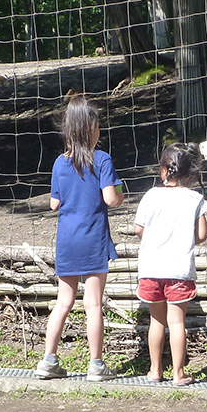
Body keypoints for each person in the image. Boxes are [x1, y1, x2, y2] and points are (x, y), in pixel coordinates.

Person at [35, 95, 125, 382]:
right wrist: (121, 194)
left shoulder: (59, 163)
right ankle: (96, 365)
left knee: (63, 302)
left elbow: (53, 204)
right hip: (92, 238)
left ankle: (49, 359)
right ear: (92, 129)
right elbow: (110, 199)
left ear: (68, 131)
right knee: (93, 304)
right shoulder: (102, 159)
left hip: (67, 240)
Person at [134, 143, 207, 386]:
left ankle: (155, 370)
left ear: (164, 170)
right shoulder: (195, 199)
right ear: (189, 173)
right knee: (177, 322)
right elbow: (201, 235)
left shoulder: (150, 195)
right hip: (179, 270)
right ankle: (179, 373)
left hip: (151, 269)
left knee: (156, 320)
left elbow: (138, 229)